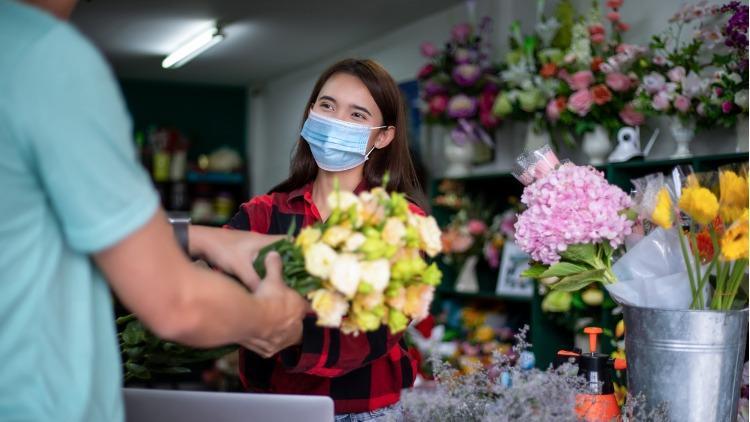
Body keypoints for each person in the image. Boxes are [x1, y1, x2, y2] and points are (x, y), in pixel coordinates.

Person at [0, 1, 307, 421]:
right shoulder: (47, 58)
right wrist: (268, 316)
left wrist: (198, 236)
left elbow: (42, 224)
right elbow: (176, 302)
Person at [227, 58, 428, 421]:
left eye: (357, 115)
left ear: (383, 136)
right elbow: (213, 289)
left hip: (370, 412)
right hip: (271, 407)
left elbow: (376, 332)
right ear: (310, 112)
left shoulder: (403, 223)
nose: (336, 121)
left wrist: (290, 334)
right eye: (327, 105)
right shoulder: (262, 214)